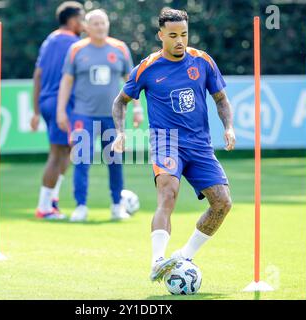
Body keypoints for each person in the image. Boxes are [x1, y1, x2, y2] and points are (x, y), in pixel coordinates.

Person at [111, 8, 236, 282]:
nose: (180, 40)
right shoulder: (147, 67)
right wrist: (120, 133)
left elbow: (221, 100)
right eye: (173, 35)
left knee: (223, 203)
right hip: (166, 141)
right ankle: (157, 261)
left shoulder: (202, 61)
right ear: (160, 35)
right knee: (168, 193)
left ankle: (184, 256)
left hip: (200, 146)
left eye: (184, 34)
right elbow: (120, 101)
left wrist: (228, 127)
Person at [57, 9, 143, 222]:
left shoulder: (120, 48)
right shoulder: (76, 49)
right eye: (95, 23)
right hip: (82, 115)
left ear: (108, 24)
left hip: (114, 116)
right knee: (82, 160)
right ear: (86, 26)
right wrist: (61, 110)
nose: (100, 27)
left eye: (103, 22)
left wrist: (138, 108)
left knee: (115, 160)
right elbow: (66, 81)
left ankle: (116, 205)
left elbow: (131, 81)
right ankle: (81, 207)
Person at [31, 1, 85, 220]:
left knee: (65, 152)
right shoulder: (74, 44)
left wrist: (35, 111)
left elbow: (37, 75)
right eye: (82, 18)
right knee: (57, 154)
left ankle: (51, 200)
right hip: (61, 103)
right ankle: (44, 207)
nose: (84, 23)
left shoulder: (50, 40)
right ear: (72, 21)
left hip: (47, 101)